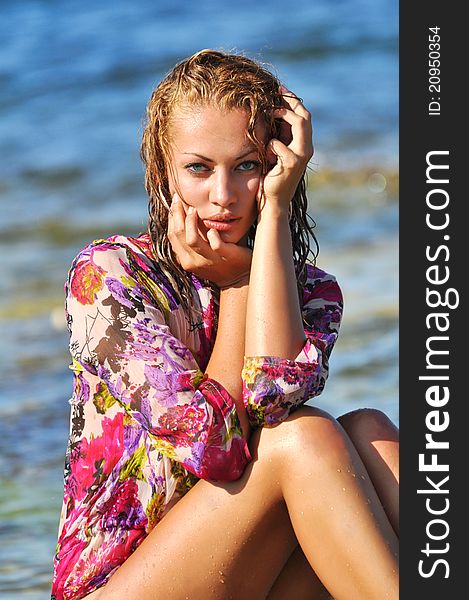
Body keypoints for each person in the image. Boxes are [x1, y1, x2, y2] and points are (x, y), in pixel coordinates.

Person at [51, 49, 399, 600]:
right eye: (198, 168)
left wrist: (275, 219)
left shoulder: (311, 291)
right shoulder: (111, 277)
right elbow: (216, 448)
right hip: (118, 584)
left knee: (370, 433)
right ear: (163, 172)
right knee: (306, 439)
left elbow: (272, 394)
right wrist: (236, 287)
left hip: (237, 567)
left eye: (247, 166)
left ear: (277, 165)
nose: (223, 195)